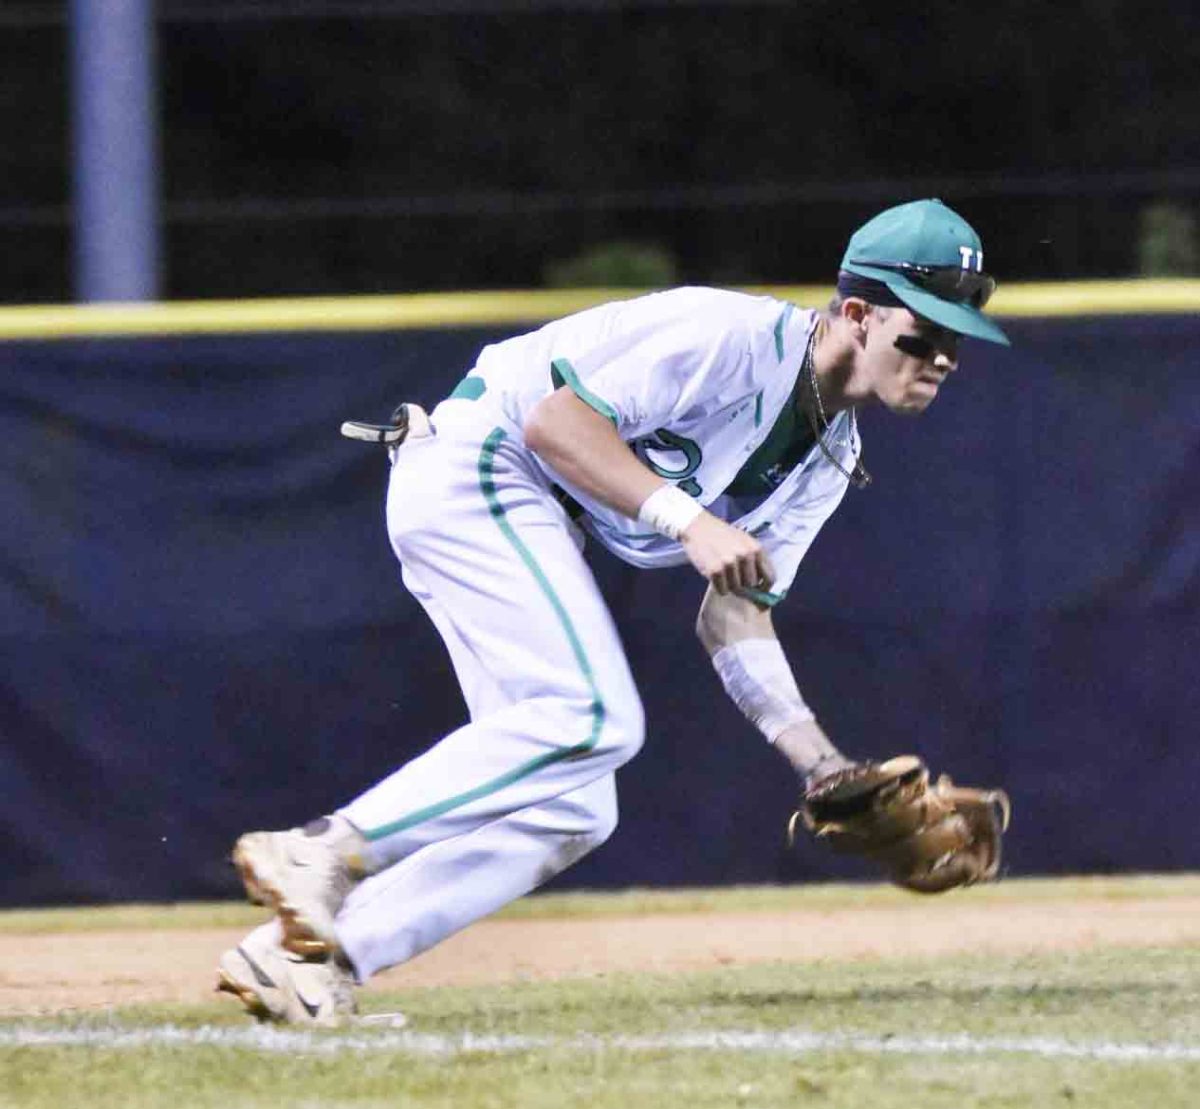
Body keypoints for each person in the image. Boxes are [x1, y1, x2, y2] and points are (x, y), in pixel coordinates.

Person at [216, 198, 1010, 1026]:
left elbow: (734, 615)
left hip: (518, 507)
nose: (943, 357)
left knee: (574, 807)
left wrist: (819, 761)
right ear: (856, 312)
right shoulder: (731, 337)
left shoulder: (831, 456)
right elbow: (555, 422)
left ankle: (311, 961)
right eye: (924, 333)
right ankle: (323, 849)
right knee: (595, 716)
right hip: (478, 465)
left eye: (957, 341)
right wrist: (689, 520)